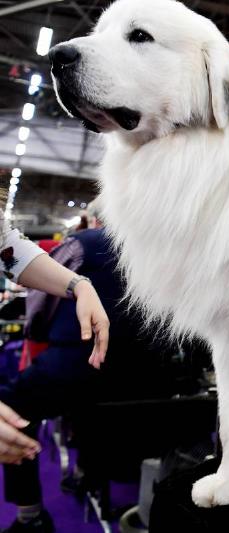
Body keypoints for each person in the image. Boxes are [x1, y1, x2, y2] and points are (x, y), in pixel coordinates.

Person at [0, 202, 113, 533]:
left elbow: (8, 248)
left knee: (15, 410)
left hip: (75, 364)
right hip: (152, 370)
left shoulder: (81, 244)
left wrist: (80, 285)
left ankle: (30, 515)